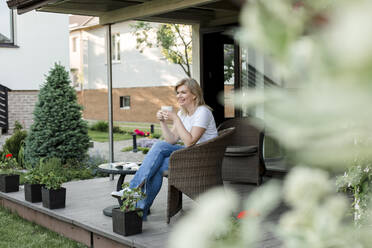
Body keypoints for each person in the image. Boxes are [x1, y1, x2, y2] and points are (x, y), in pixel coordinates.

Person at [122, 78, 218, 220]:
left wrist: (176, 119)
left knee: (160, 147)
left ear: (194, 95)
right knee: (158, 164)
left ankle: (133, 189)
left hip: (202, 158)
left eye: (183, 92)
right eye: (177, 93)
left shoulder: (202, 112)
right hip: (189, 154)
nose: (179, 96)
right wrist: (162, 122)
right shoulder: (182, 113)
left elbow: (190, 142)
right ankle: (141, 210)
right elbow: (172, 140)